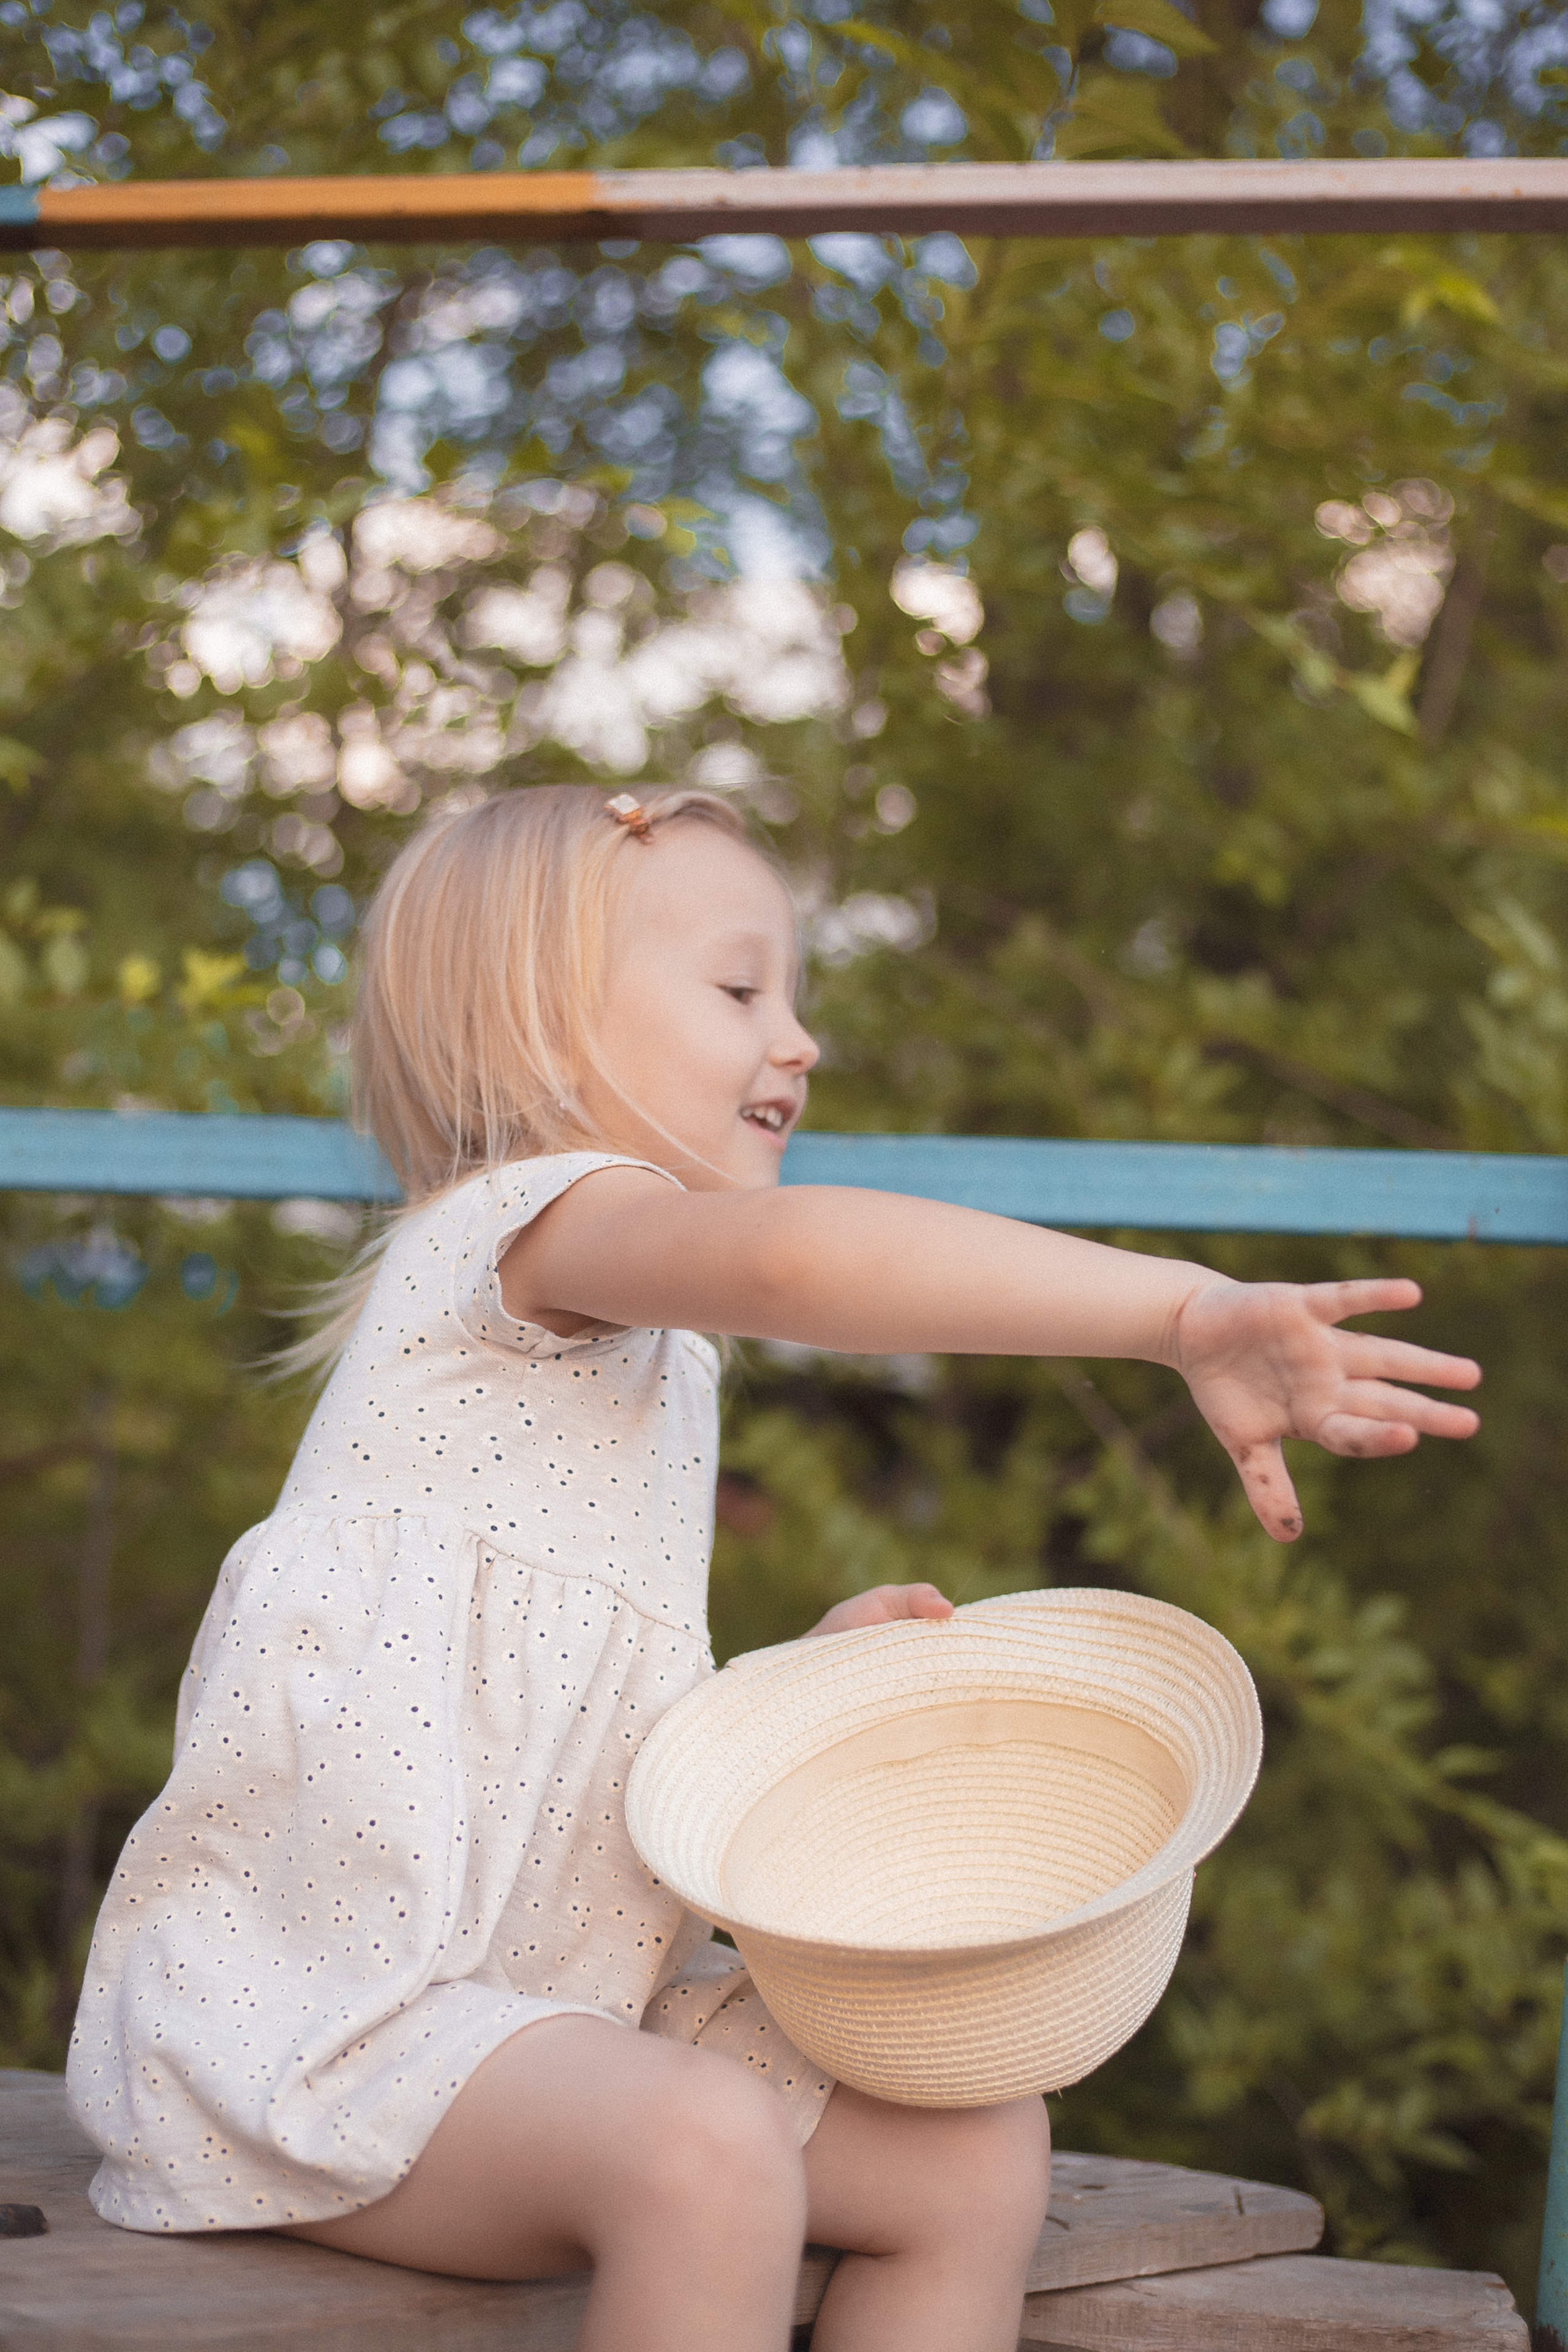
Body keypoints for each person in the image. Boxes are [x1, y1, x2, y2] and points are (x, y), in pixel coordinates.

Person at [66, 784, 1481, 2352]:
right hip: (325, 2035)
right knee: (707, 2144)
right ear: (538, 1032)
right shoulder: (522, 1231)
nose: (797, 1038)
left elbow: (544, 1746)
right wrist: (1180, 1312)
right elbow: (803, 1264)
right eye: (741, 989)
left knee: (969, 2151)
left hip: (552, 2018)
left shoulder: (656, 1360)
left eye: (792, 994)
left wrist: (772, 1690)